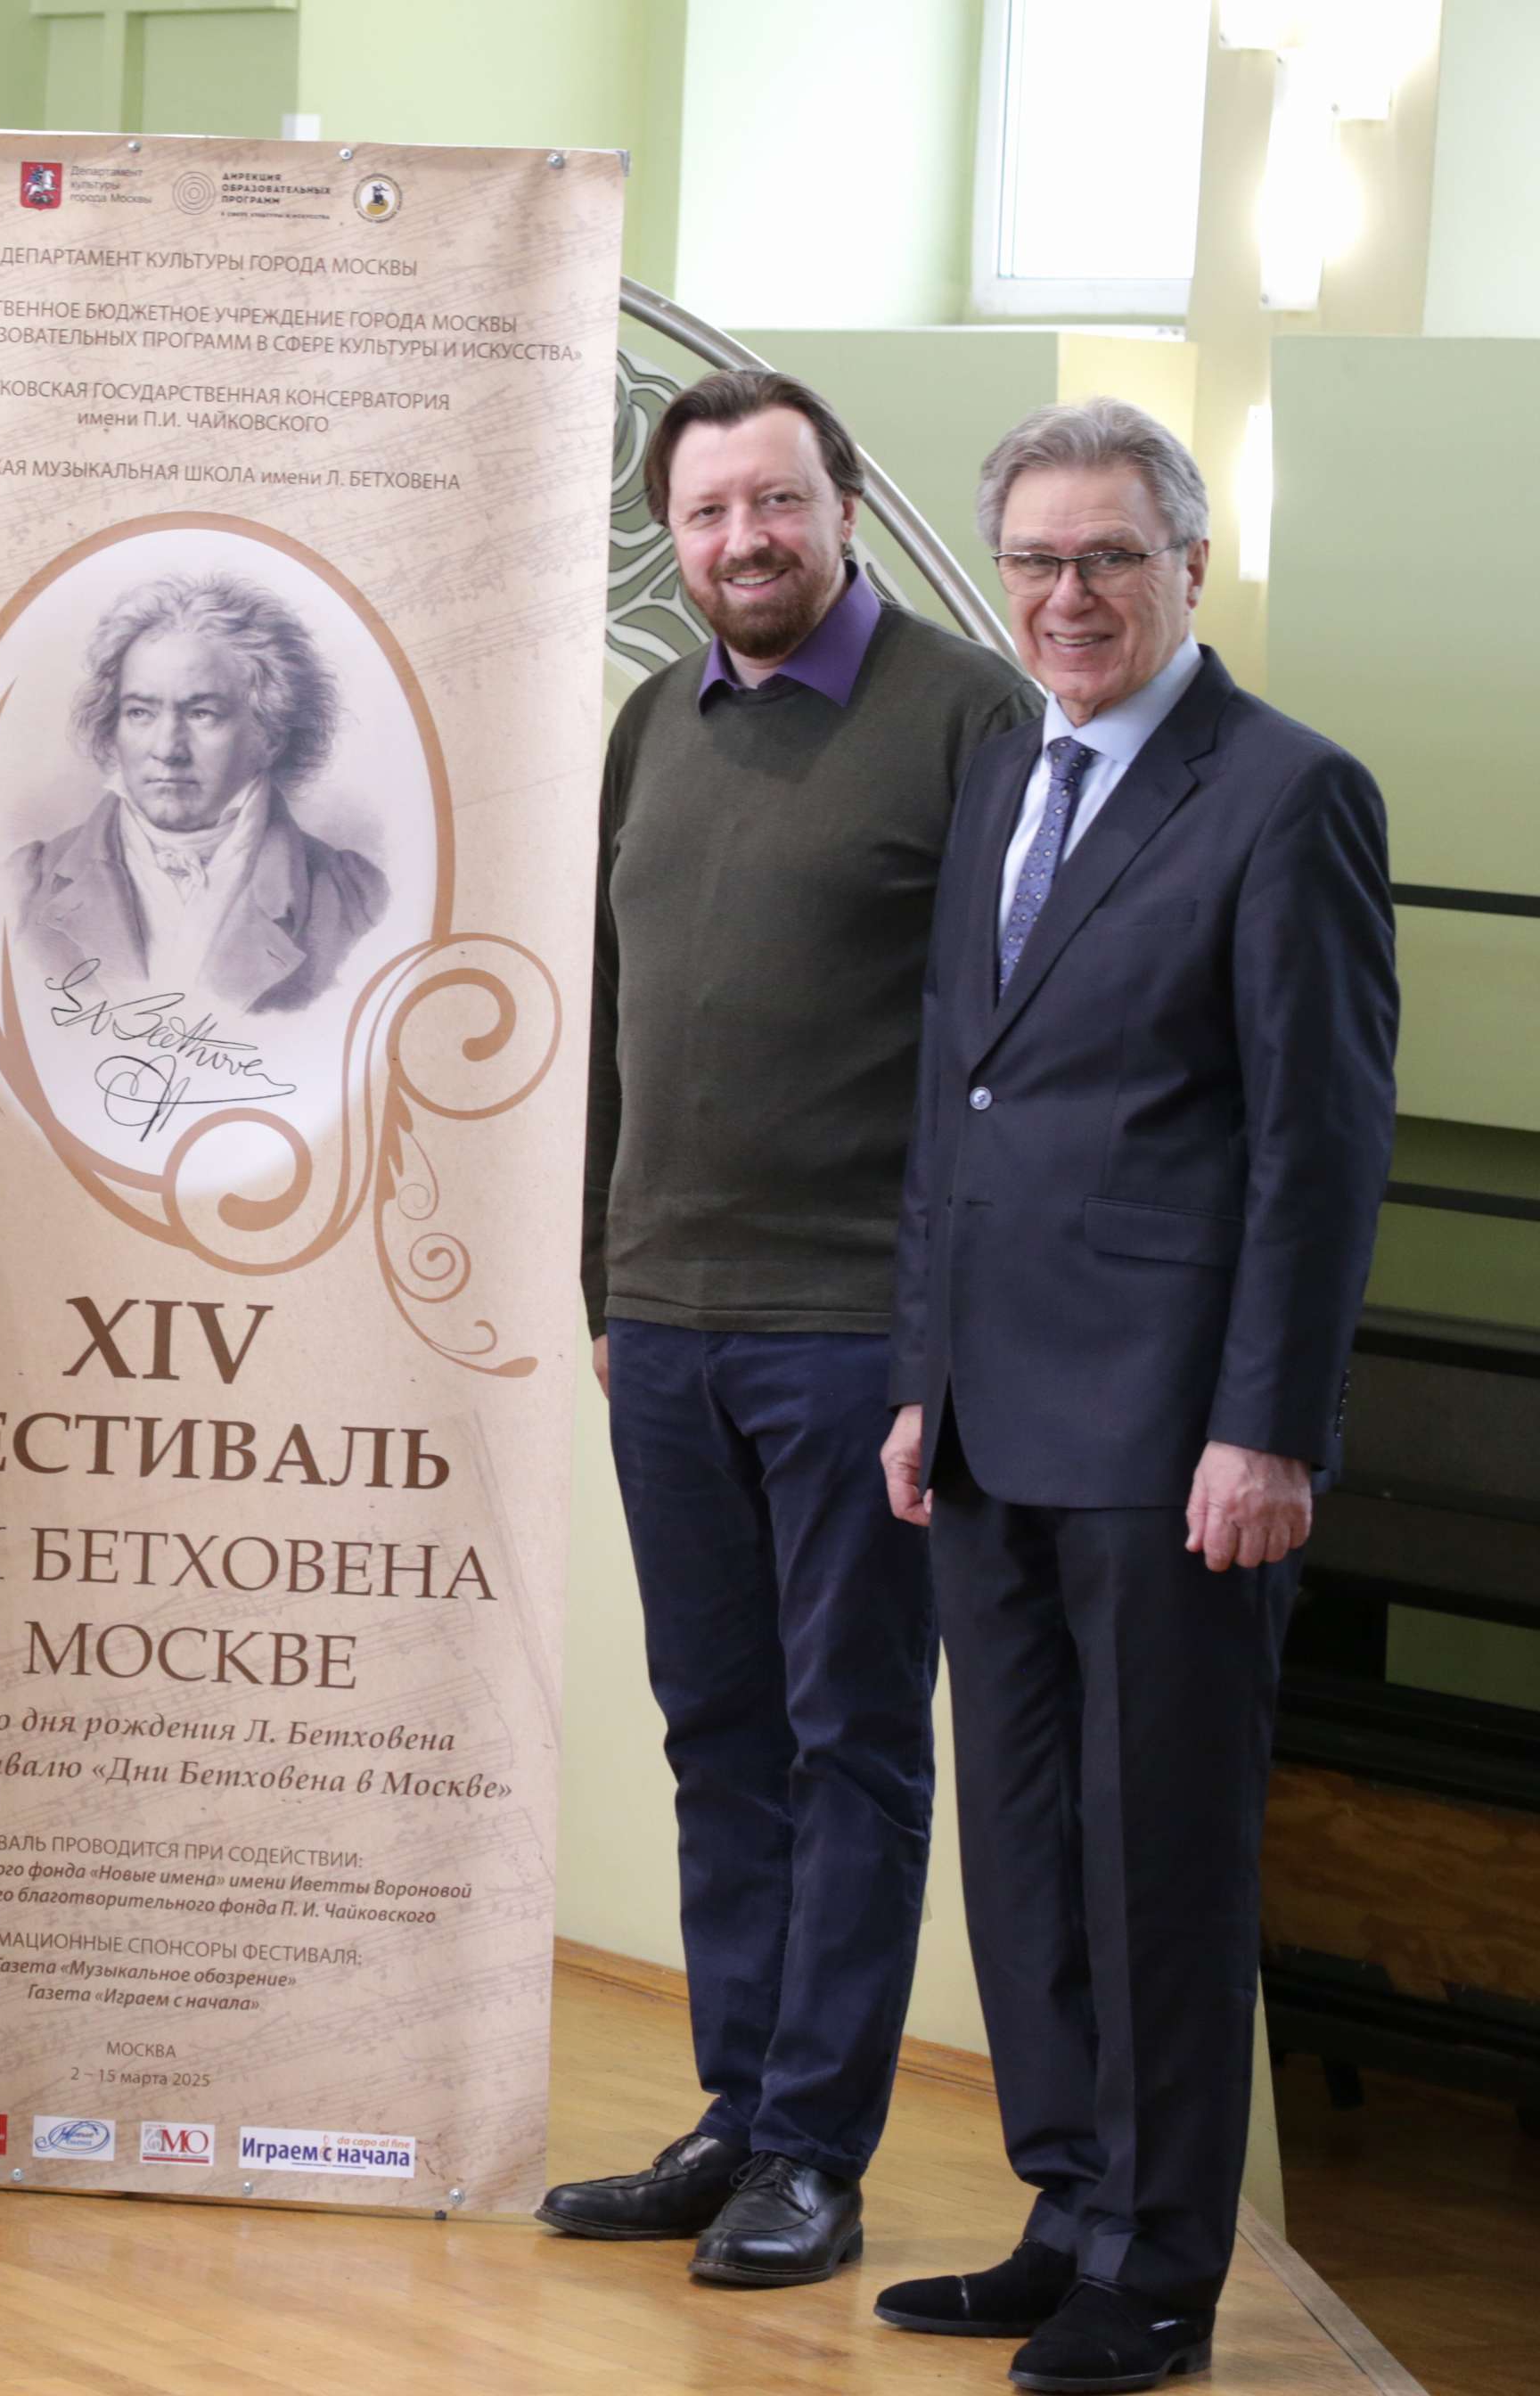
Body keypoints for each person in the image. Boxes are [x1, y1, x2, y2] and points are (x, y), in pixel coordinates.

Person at [876, 398, 1396, 2393]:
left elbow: (1316, 1146)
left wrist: (1269, 1427)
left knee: (1153, 1851)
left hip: (1177, 1438)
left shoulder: (1287, 793)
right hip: (986, 1422)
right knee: (1021, 1848)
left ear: (1189, 565)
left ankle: (1160, 2266)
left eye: (1107, 556)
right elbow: (956, 1102)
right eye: (1035, 559)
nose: (1067, 595)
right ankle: (1066, 2209)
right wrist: (918, 1379)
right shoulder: (1008, 772)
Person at [541, 372, 1036, 2288]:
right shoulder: (654, 720)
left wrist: (936, 1340)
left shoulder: (966, 716)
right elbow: (613, 1008)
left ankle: (815, 2150)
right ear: (670, 535)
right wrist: (605, 1280)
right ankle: (736, 2113)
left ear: (841, 505)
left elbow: (1005, 1049)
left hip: (853, 1337)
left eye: (775, 501)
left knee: (853, 1747)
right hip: (666, 1326)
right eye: (706, 511)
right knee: (719, 1736)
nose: (743, 539)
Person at [4, 569, 387, 1016]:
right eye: (141, 712)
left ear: (270, 734)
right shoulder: (23, 886)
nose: (167, 749)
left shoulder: (356, 901)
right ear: (113, 726)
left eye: (202, 713)